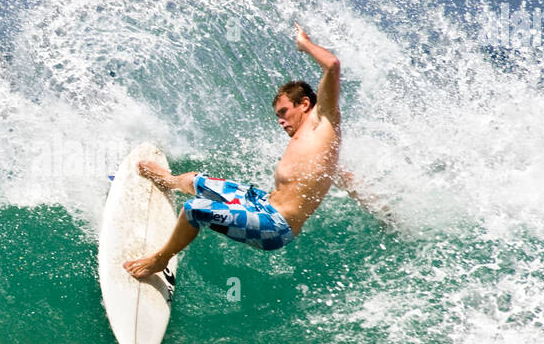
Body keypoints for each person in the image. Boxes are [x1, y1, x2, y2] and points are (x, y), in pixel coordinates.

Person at [122, 24, 389, 279]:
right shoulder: (313, 148)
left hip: (275, 227)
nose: (281, 121)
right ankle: (169, 181)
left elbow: (332, 65)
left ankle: (160, 259)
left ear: (305, 104)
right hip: (262, 203)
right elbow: (346, 179)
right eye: (277, 116)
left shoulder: (323, 122)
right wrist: (379, 210)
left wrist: (305, 44)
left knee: (194, 209)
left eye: (284, 112)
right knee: (195, 180)